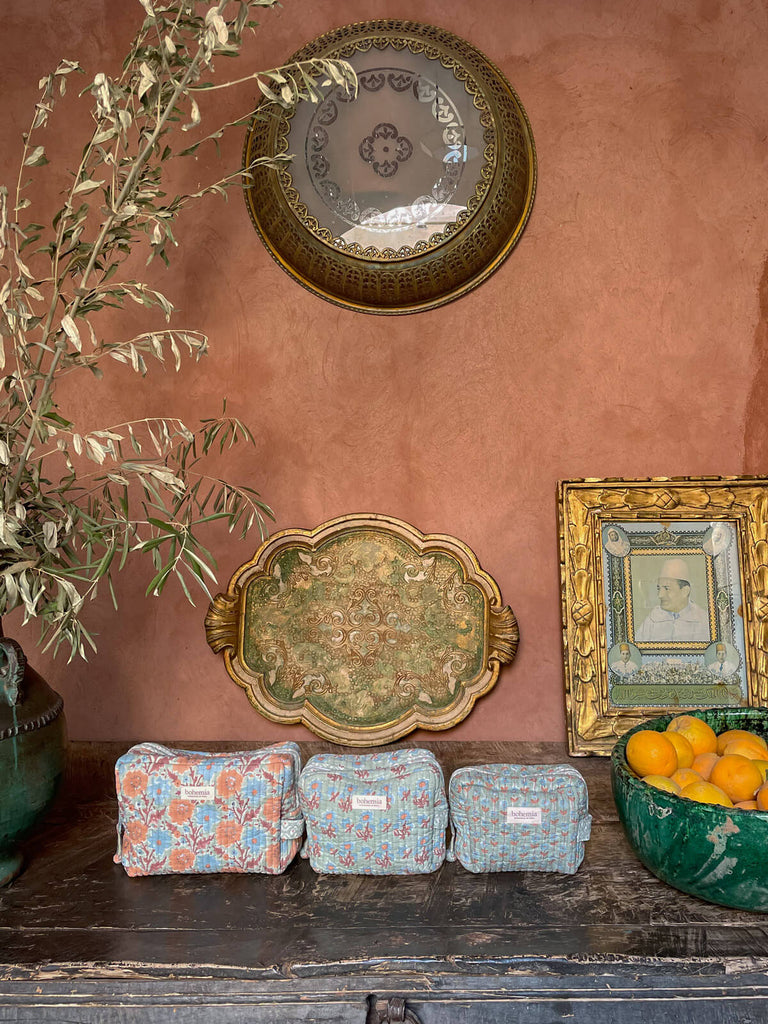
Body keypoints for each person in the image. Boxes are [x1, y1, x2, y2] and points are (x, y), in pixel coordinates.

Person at [635, 557, 710, 642]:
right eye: (659, 588)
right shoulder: (653, 617)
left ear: (685, 591)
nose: (660, 595)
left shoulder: (703, 621)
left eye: (667, 588)